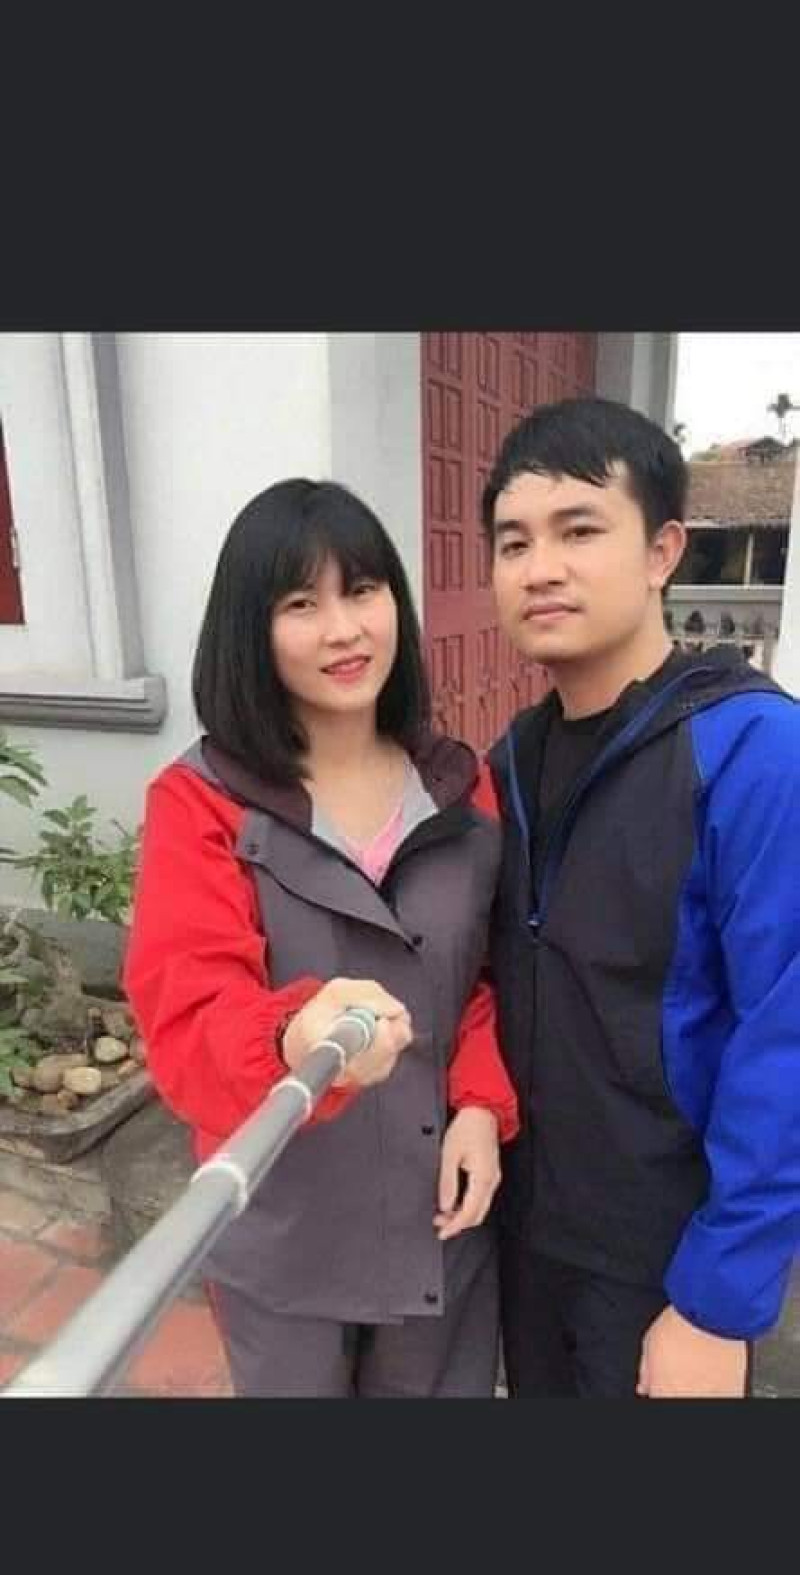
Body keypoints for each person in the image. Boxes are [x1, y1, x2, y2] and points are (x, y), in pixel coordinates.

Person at [123, 478, 518, 1397]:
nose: (343, 630)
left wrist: (479, 1107)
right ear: (250, 630)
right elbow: (190, 1016)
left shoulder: (461, 789)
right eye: (302, 604)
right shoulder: (202, 804)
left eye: (363, 590)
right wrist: (291, 1035)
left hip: (440, 1222)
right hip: (284, 1236)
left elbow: (483, 977)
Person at [482, 394, 800, 1397]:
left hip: (664, 1256)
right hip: (528, 1235)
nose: (540, 567)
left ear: (662, 550)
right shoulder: (510, 760)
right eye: (513, 541)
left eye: (579, 530)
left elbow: (785, 1034)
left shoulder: (753, 751)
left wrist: (718, 1298)